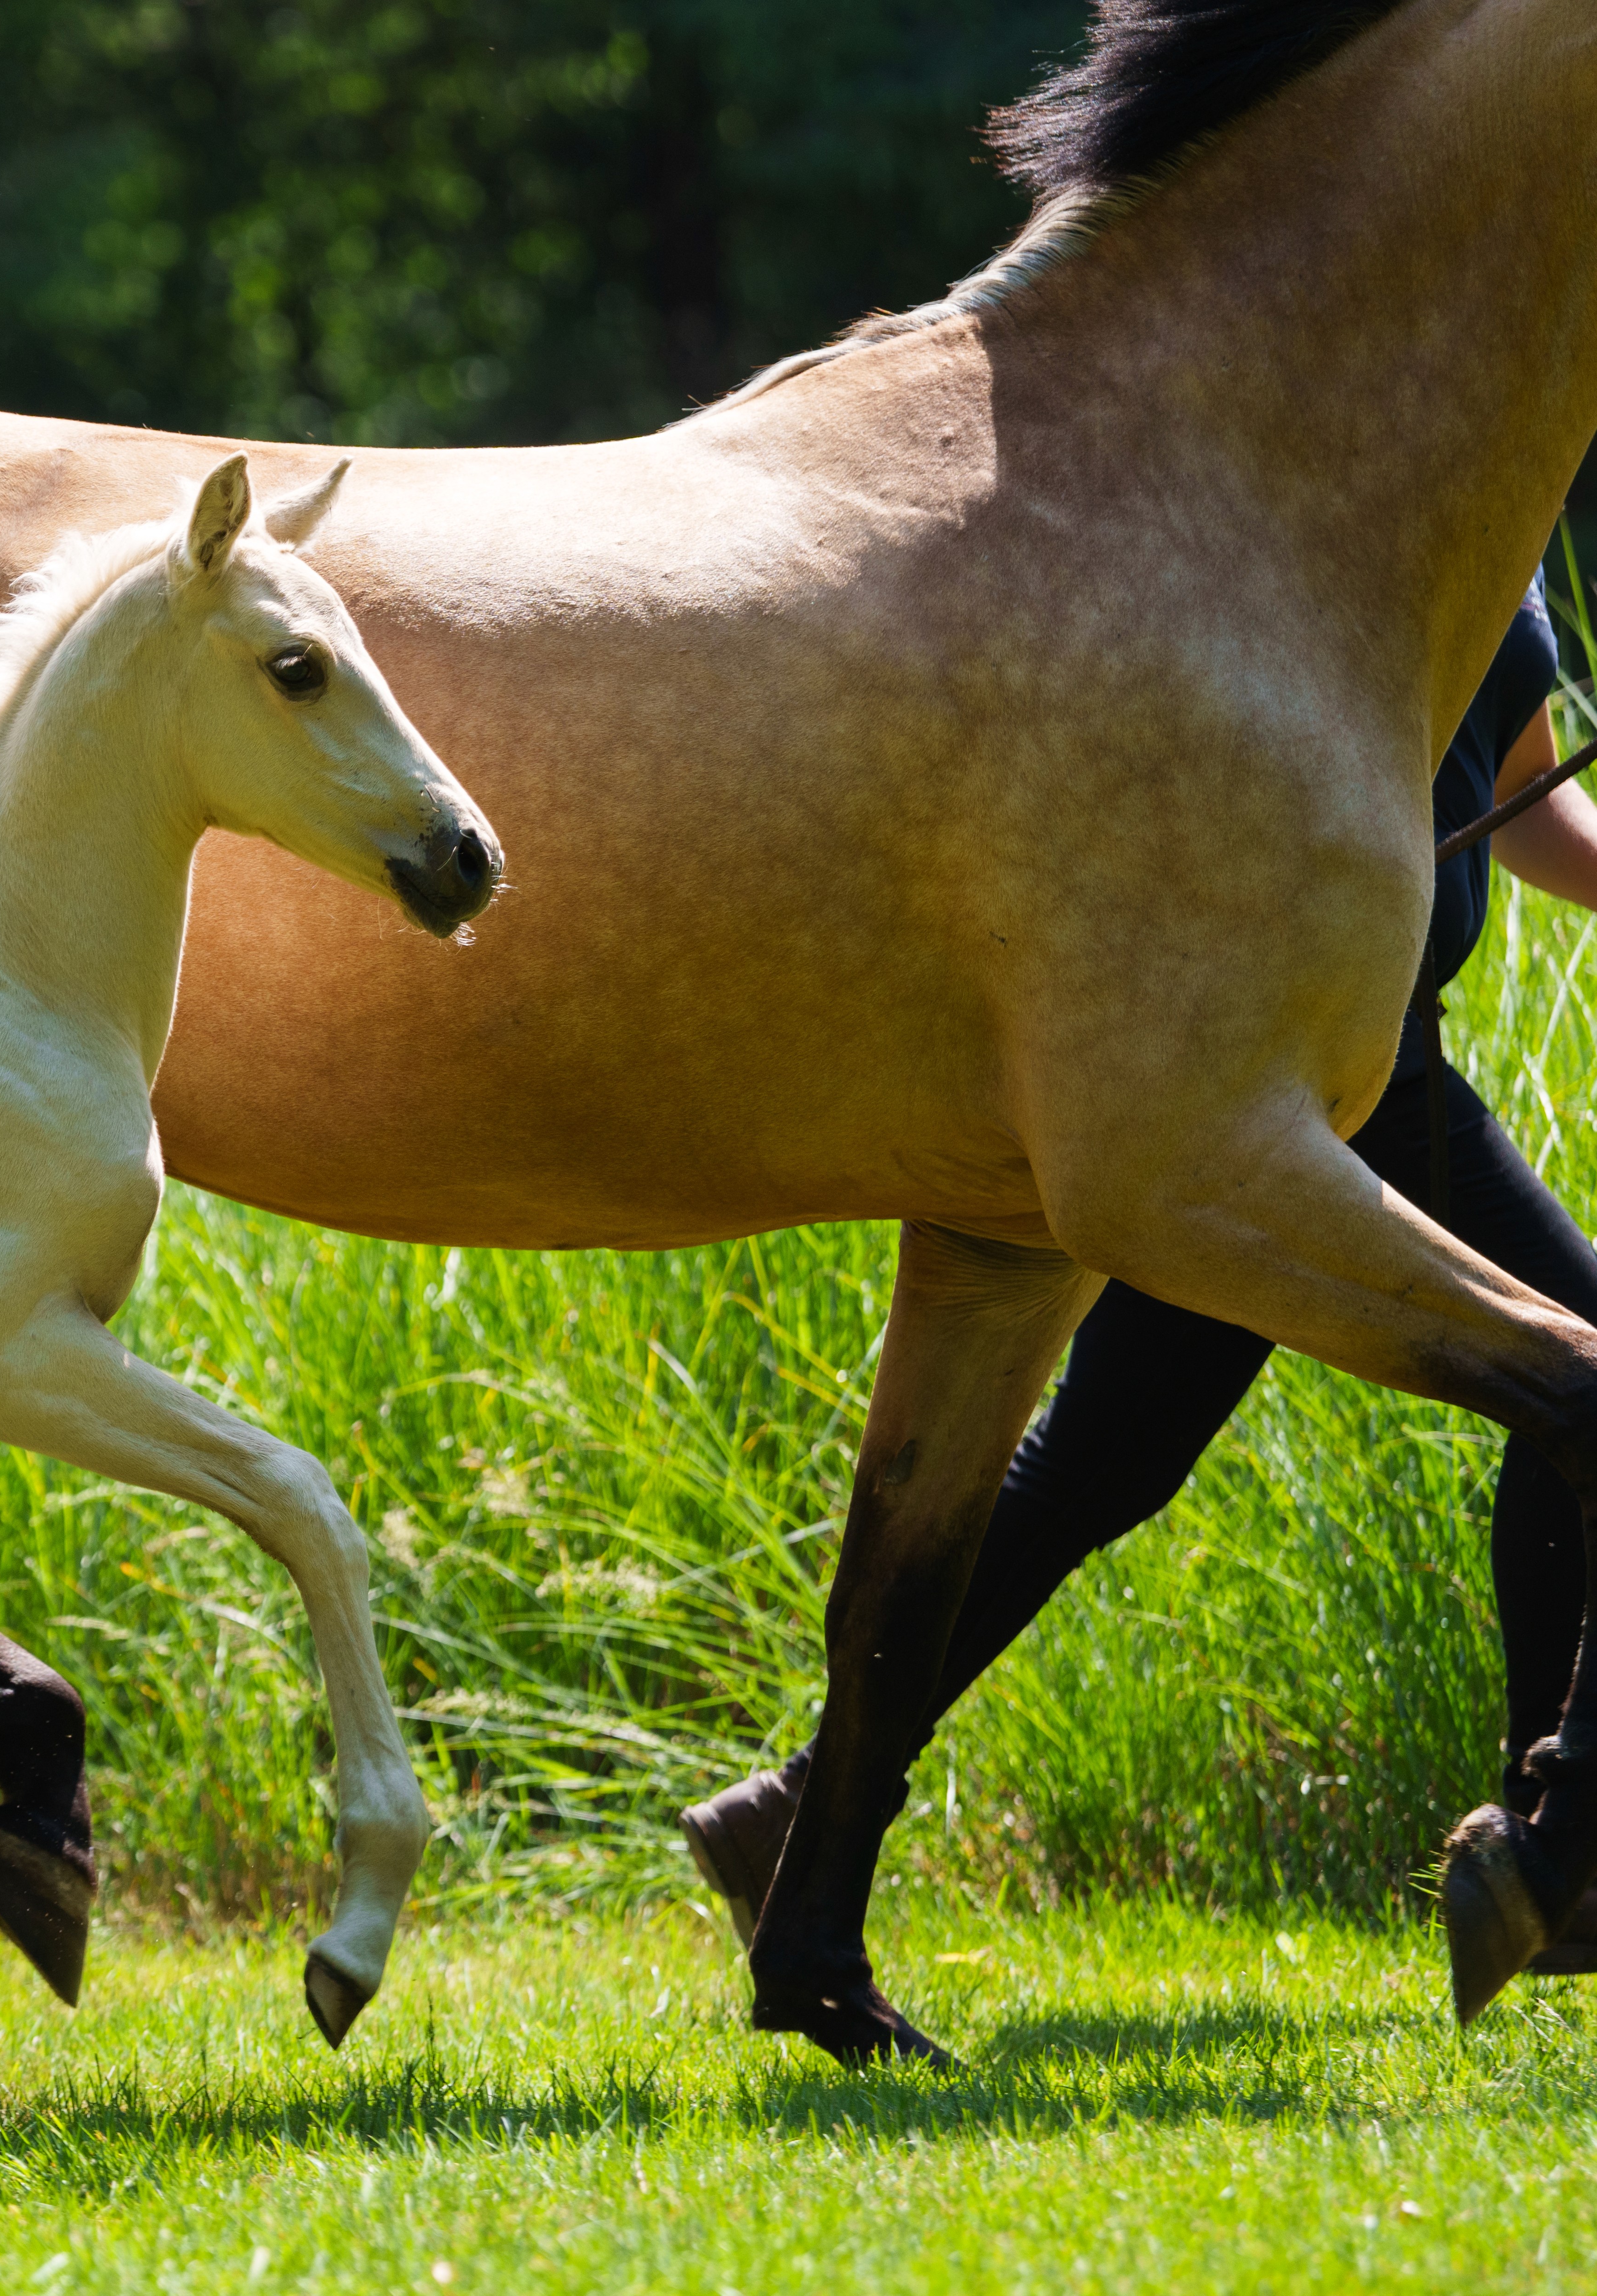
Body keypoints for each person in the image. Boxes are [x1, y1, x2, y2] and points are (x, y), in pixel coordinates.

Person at [681, 572, 1597, 1973]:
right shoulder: (1335, 493)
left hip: (1325, 1084)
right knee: (1577, 1366)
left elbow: (1522, 791)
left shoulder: (1501, 512)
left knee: (1102, 1468)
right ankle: (1557, 1858)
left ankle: (799, 1809)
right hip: (1318, 1080)